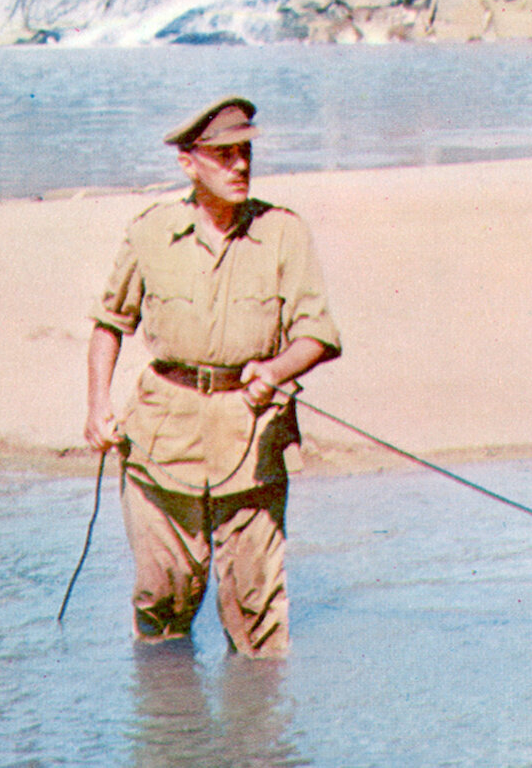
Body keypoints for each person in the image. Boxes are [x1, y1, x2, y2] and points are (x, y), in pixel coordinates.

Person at [84, 96, 339, 656]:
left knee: (257, 618)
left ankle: (258, 741)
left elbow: (318, 335)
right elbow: (109, 324)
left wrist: (275, 369)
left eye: (245, 152)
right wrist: (97, 405)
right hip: (160, 443)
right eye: (224, 155)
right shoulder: (150, 233)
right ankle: (171, 732)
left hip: (251, 442)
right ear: (188, 163)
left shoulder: (283, 234)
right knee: (161, 601)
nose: (240, 166)